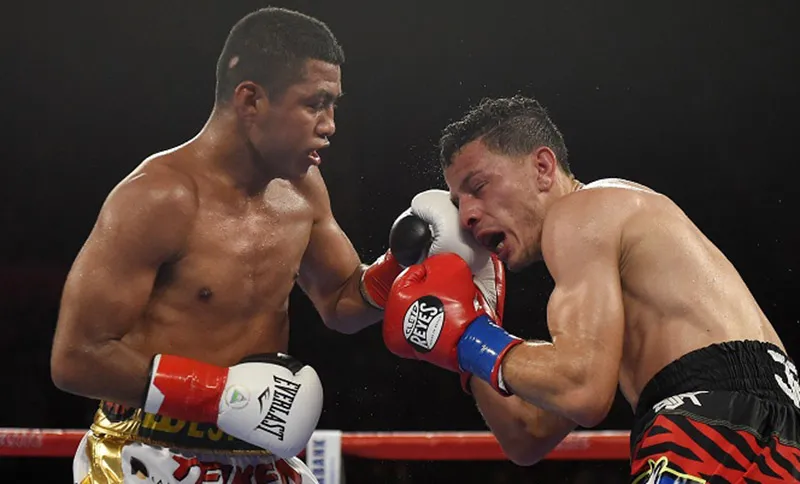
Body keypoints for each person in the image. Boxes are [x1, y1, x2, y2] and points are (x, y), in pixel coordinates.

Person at [50, 8, 423, 483]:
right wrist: (220, 396)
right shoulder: (158, 198)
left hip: (258, 458)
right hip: (150, 453)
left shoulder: (304, 188)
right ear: (251, 100)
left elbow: (340, 300)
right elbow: (76, 358)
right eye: (315, 103)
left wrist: (406, 263)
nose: (329, 125)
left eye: (333, 106)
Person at [381, 95, 800, 482]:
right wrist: (464, 336)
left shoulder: (581, 212)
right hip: (778, 432)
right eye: (458, 203)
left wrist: (469, 336)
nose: (468, 215)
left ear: (543, 168)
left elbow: (583, 390)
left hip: (707, 421)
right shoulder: (619, 255)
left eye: (478, 187)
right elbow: (529, 436)